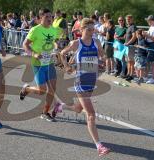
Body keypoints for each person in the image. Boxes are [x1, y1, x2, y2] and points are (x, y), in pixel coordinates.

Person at [52, 18, 110, 157]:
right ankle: (99, 146)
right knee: (91, 114)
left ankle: (60, 107)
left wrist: (102, 61)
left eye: (93, 29)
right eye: (89, 29)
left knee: (78, 109)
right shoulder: (76, 43)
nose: (92, 32)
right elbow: (62, 53)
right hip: (81, 83)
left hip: (92, 81)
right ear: (81, 30)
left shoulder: (96, 42)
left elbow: (102, 55)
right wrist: (66, 67)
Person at [22, 8, 59, 122]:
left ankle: (45, 112)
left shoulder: (53, 30)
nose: (50, 19)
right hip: (38, 63)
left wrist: (56, 50)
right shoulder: (35, 30)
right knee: (41, 91)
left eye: (51, 16)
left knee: (52, 89)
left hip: (49, 63)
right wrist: (34, 54)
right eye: (47, 17)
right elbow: (25, 44)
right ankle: (27, 89)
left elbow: (53, 42)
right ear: (41, 17)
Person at [124, 15, 137, 81]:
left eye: (129, 19)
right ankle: (128, 74)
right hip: (127, 46)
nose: (127, 20)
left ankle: (131, 75)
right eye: (127, 19)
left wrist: (128, 43)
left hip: (131, 46)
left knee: (131, 61)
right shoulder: (128, 27)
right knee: (128, 61)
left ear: (132, 19)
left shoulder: (133, 27)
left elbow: (134, 36)